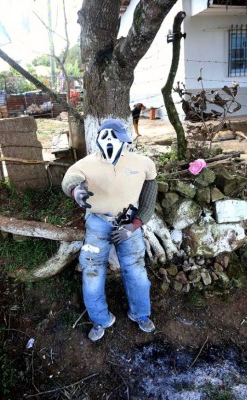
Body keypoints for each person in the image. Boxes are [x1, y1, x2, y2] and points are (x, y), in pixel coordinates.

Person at [62, 119, 158, 341]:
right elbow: (71, 179)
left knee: (136, 271)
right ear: (98, 138)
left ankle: (141, 314)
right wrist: (77, 191)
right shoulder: (85, 164)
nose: (109, 142)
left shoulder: (143, 164)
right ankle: (100, 319)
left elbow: (149, 201)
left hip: (129, 223)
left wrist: (134, 226)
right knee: (92, 272)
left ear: (125, 140)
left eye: (114, 137)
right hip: (98, 223)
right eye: (104, 137)